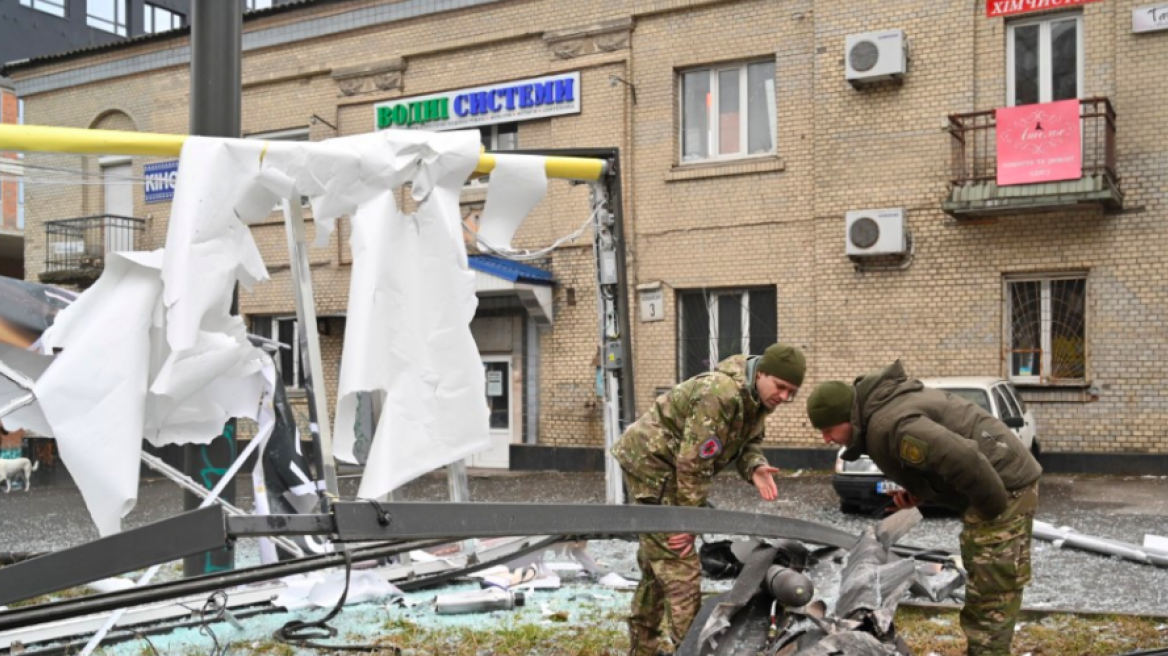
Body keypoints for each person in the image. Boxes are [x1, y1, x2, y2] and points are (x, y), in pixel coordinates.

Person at [806, 361, 1042, 656]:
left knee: (991, 588)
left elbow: (965, 459)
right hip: (1001, 477)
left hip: (1004, 485)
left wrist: (990, 512)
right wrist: (919, 493)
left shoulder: (888, 425)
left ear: (848, 418)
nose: (827, 439)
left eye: (829, 429)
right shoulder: (882, 412)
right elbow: (935, 460)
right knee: (989, 582)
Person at [611, 343, 806, 656]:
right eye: (781, 387)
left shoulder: (757, 399)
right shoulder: (721, 394)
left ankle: (643, 649)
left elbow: (748, 443)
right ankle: (689, 649)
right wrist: (687, 522)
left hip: (674, 468)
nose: (784, 397)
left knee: (655, 564)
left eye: (792, 392)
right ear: (763, 373)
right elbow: (693, 463)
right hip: (654, 467)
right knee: (680, 564)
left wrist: (754, 466)